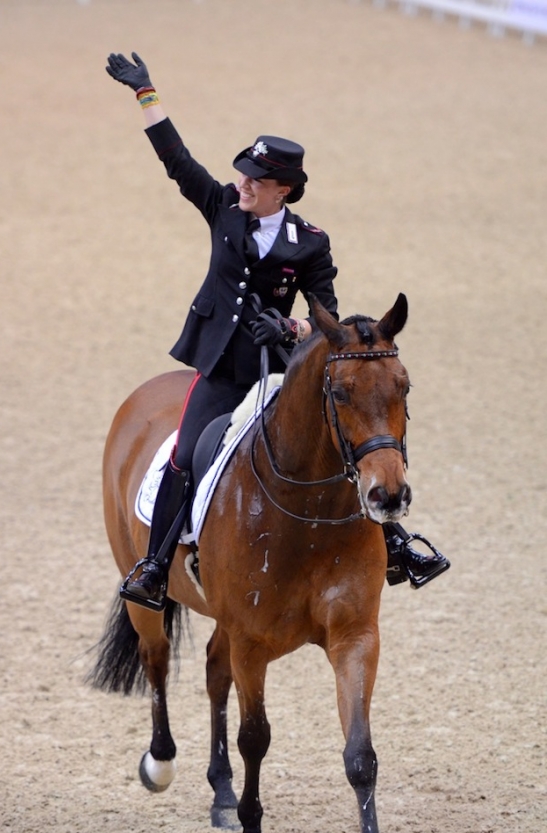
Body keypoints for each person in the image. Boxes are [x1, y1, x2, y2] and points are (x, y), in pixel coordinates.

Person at [105, 51, 449, 609]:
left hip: (281, 369)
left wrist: (289, 324)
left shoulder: (310, 241)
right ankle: (155, 562)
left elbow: (326, 314)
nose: (243, 182)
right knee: (186, 455)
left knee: (345, 440)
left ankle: (396, 543)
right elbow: (176, 160)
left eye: (256, 178)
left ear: (282, 190)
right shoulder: (222, 206)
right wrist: (146, 95)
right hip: (222, 369)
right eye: (243, 172)